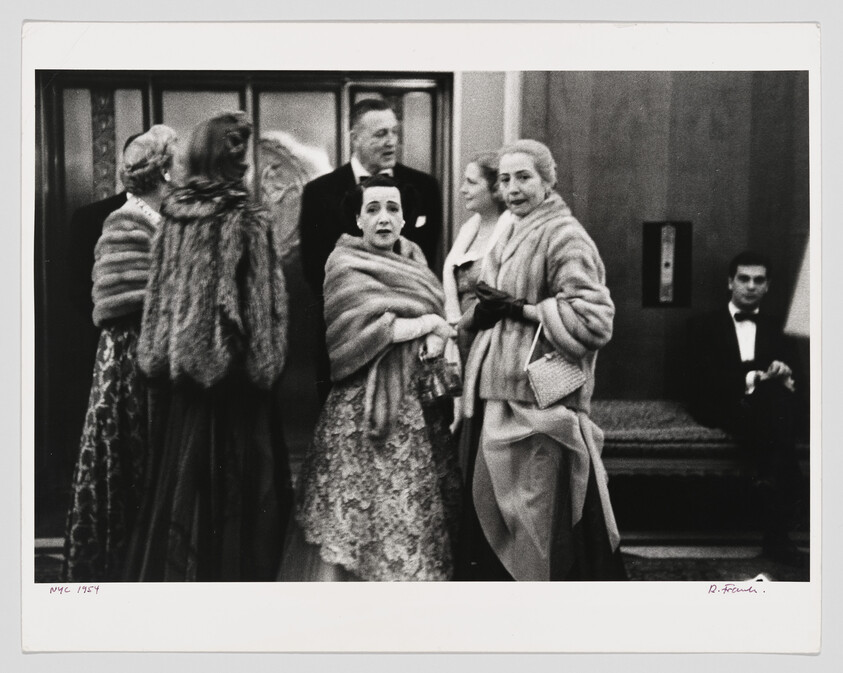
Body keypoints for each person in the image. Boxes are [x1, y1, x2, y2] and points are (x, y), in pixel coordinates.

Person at [124, 112, 292, 582]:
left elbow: (158, 301)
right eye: (240, 151)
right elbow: (264, 306)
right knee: (241, 488)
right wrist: (266, 364)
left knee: (183, 486)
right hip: (236, 381)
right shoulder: (248, 217)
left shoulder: (173, 214)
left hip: (185, 384)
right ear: (231, 158)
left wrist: (160, 354)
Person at [280, 175, 461, 581]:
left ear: (404, 218)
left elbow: (422, 314)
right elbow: (363, 334)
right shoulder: (344, 263)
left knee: (408, 509)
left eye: (392, 209)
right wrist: (429, 323)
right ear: (358, 220)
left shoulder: (414, 258)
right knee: (359, 512)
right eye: (373, 209)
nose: (384, 218)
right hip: (361, 407)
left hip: (416, 403)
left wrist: (431, 332)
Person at [458, 139, 625, 581]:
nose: (513, 189)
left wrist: (523, 309)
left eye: (524, 177)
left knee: (534, 512)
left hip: (539, 397)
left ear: (549, 180)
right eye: (506, 179)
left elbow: (595, 321)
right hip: (498, 390)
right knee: (500, 508)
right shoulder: (510, 229)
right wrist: (485, 311)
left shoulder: (564, 234)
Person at [62, 125, 178, 582]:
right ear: (165, 171)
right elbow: (121, 300)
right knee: (130, 465)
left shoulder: (165, 218)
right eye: (178, 162)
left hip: (154, 357)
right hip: (130, 362)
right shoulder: (126, 222)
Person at [299, 98, 443, 403]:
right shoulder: (319, 193)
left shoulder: (424, 187)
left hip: (409, 343)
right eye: (380, 134)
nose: (391, 141)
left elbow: (424, 263)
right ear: (355, 138)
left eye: (394, 132)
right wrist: (363, 315)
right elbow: (314, 268)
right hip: (346, 336)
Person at [687, 251, 806, 566]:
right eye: (744, 278)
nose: (751, 286)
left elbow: (798, 382)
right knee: (773, 406)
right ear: (730, 282)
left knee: (774, 397)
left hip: (765, 411)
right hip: (723, 405)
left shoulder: (779, 329)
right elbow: (701, 382)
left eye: (759, 280)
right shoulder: (702, 326)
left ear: (767, 286)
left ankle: (769, 480)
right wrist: (754, 378)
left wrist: (784, 373)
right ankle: (779, 530)